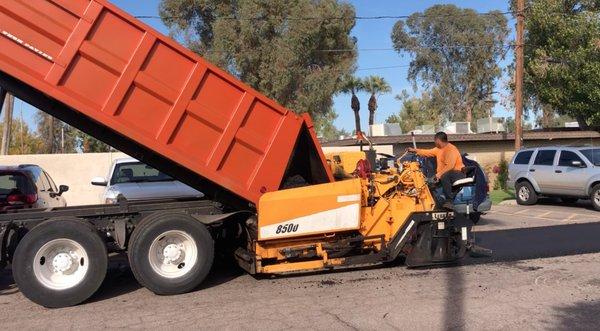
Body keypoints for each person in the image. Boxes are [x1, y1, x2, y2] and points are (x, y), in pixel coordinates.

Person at [407, 132, 464, 210]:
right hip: (446, 174)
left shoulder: (451, 149)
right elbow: (427, 152)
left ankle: (449, 202)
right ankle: (435, 206)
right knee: (430, 185)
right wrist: (414, 150)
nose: (434, 142)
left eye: (435, 140)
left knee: (444, 176)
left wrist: (438, 175)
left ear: (438, 140)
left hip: (457, 173)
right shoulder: (438, 149)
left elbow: (450, 166)